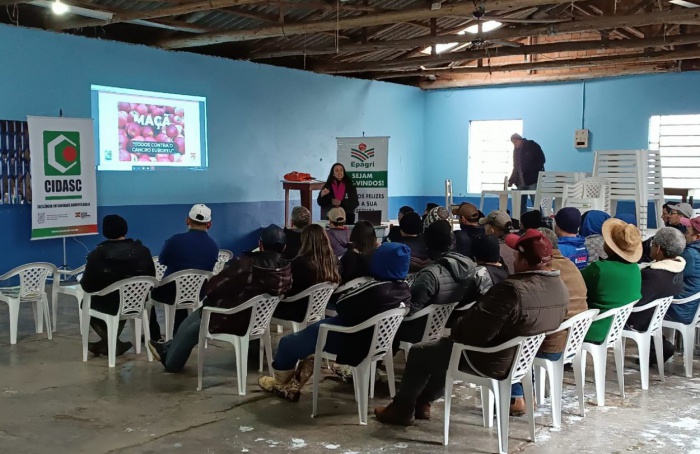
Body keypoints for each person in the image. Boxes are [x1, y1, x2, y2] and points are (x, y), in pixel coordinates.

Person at [374, 229, 567, 425]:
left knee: (422, 352)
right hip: (520, 358)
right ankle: (423, 402)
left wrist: (457, 324)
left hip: (491, 358)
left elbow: (472, 334)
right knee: (441, 349)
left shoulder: (512, 290)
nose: (513, 260)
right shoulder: (558, 286)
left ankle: (402, 409)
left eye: (517, 256)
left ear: (525, 262)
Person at [258, 243, 412, 402]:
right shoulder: (404, 288)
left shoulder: (375, 289)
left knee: (287, 343)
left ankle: (279, 382)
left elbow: (342, 304)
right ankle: (299, 374)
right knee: (307, 342)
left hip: (349, 337)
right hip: (374, 340)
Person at [148, 225, 292, 372]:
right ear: (284, 247)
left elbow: (212, 288)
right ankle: (169, 346)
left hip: (234, 318)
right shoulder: (285, 269)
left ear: (260, 244)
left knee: (190, 327)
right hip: (259, 319)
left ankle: (171, 362)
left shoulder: (247, 265)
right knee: (194, 318)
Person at [80, 215, 156, 357]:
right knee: (122, 299)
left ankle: (110, 342)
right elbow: (151, 279)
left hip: (110, 304)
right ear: (125, 230)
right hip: (136, 302)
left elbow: (87, 286)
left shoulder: (97, 255)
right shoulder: (143, 251)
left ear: (105, 231)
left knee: (85, 303)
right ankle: (112, 343)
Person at [395, 220, 476, 347]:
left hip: (419, 328)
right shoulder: (469, 265)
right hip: (448, 322)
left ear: (428, 245)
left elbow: (411, 309)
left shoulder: (430, 275)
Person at [150, 204, 220, 340]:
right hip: (198, 293)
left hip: (170, 293)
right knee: (182, 297)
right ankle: (179, 333)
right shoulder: (214, 245)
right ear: (209, 224)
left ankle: (155, 336)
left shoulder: (174, 241)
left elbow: (162, 260)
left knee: (150, 295)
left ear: (187, 220)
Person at [624, 228, 686, 363]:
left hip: (636, 319)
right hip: (654, 316)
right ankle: (659, 347)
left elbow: (634, 299)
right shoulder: (677, 269)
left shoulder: (653, 275)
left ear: (658, 249)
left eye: (652, 244)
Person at [582, 218, 643, 343]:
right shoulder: (635, 269)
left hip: (591, 329)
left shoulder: (600, 268)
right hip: (615, 328)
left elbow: (575, 285)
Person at [272, 224, 340, 323]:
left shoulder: (299, 263)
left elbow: (287, 288)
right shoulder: (333, 261)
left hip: (297, 310)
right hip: (318, 308)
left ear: (304, 240)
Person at [664, 216, 700, 325]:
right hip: (693, 308)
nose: (684, 234)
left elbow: (669, 277)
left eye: (687, 232)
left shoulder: (690, 254)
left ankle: (655, 341)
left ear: (697, 236)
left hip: (680, 310)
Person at [509, 133, 545, 211]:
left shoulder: (532, 146)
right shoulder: (516, 151)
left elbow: (542, 160)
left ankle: (539, 221)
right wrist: (511, 180)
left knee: (535, 203)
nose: (514, 144)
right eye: (513, 143)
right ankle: (521, 221)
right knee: (520, 205)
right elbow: (516, 167)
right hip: (520, 181)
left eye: (515, 142)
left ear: (520, 140)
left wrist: (532, 169)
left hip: (532, 180)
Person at [480, 210, 515, 274]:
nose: (484, 228)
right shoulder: (518, 246)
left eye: (485, 225)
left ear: (491, 231)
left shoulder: (491, 252)